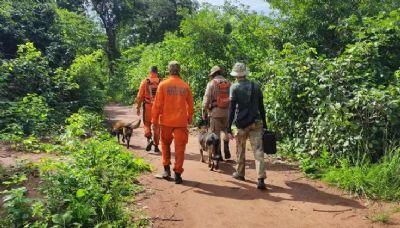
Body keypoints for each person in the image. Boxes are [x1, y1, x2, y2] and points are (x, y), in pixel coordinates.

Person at [152, 61, 194, 184]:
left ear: (169, 70)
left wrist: (154, 120)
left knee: (165, 144)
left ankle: (166, 170)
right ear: (179, 70)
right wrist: (189, 117)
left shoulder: (163, 85)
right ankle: (178, 174)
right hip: (181, 122)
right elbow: (190, 105)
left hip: (166, 121)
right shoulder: (185, 86)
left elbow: (157, 105)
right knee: (180, 148)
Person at [227, 62, 267, 190]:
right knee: (258, 151)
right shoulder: (256, 86)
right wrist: (265, 123)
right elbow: (261, 107)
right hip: (256, 122)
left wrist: (228, 127)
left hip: (241, 124)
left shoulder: (234, 87)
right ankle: (260, 178)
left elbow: (232, 109)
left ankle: (240, 173)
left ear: (236, 75)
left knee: (240, 148)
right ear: (245, 73)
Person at [202, 66, 231, 160]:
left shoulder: (211, 84)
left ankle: (218, 154)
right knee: (226, 130)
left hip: (215, 113)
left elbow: (206, 99)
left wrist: (204, 110)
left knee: (215, 134)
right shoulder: (229, 83)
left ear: (213, 74)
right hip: (227, 112)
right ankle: (226, 146)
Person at [135, 66, 161, 152]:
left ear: (150, 72)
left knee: (147, 124)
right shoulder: (161, 82)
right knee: (157, 126)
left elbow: (139, 97)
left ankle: (149, 139)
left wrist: (138, 107)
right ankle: (156, 146)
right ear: (157, 72)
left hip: (147, 106)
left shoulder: (145, 82)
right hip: (158, 107)